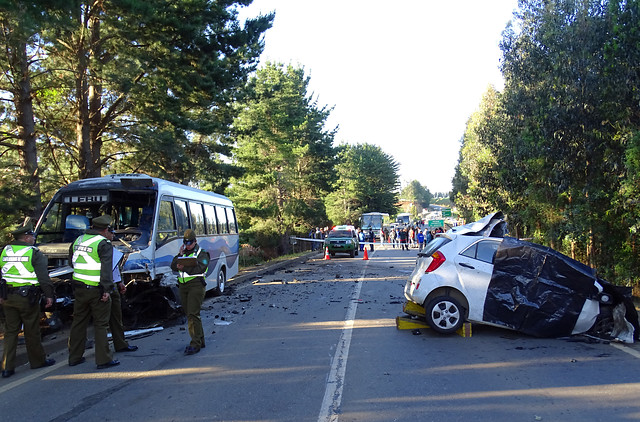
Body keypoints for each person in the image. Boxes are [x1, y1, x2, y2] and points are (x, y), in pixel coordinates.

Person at [0, 219, 56, 378]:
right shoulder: (33, 252)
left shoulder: (4, 250)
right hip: (27, 298)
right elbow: (43, 278)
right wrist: (49, 295)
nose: (33, 238)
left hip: (8, 297)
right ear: (25, 237)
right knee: (31, 331)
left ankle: (7, 368)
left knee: (11, 332)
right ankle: (37, 361)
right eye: (31, 235)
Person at [68, 214, 120, 369]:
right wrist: (107, 289)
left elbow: (72, 261)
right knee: (101, 324)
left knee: (78, 322)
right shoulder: (103, 243)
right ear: (105, 230)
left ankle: (74, 357)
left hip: (79, 288)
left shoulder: (78, 240)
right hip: (96, 289)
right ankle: (103, 359)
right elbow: (106, 270)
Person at [171, 229, 210, 355]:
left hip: (196, 285)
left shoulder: (202, 253)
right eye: (185, 242)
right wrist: (179, 255)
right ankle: (200, 340)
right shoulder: (183, 253)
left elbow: (201, 268)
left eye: (190, 242)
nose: (187, 245)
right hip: (183, 286)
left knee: (193, 314)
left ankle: (195, 344)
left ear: (195, 241)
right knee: (190, 315)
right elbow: (173, 266)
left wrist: (185, 268)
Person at [105, 228, 138, 354]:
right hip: (102, 286)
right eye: (111, 232)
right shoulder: (100, 245)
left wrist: (119, 282)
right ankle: (103, 354)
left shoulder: (108, 245)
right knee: (101, 322)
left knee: (116, 317)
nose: (113, 235)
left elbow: (113, 267)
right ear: (104, 231)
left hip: (112, 284)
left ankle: (120, 344)